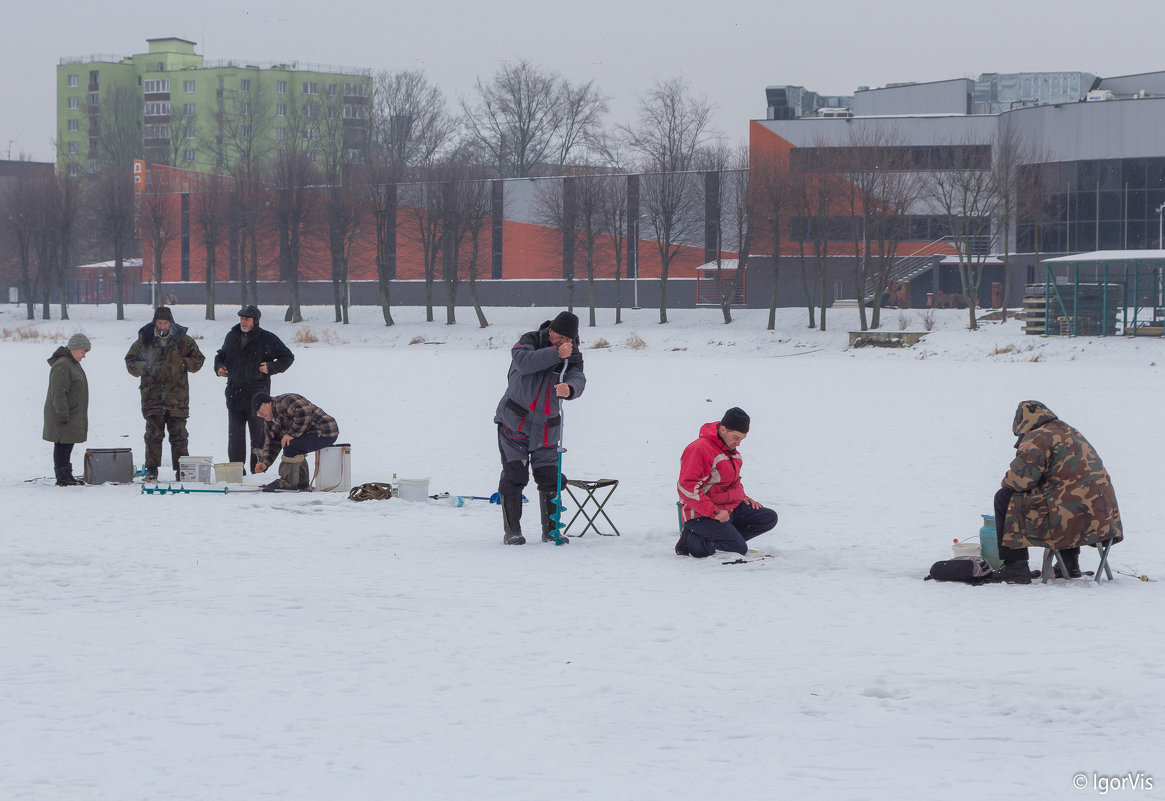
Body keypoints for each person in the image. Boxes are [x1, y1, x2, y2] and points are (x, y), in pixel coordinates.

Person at [991, 400, 1123, 584]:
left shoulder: (1037, 437)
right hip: (1103, 516)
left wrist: (1006, 480)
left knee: (1004, 497)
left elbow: (1020, 481)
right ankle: (1069, 563)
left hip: (1071, 516)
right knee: (1063, 496)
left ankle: (1015, 566)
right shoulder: (1068, 430)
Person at [493, 311, 586, 545]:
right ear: (551, 330)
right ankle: (512, 531)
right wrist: (555, 353)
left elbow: (578, 376)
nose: (563, 342)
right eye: (560, 337)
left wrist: (571, 388)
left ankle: (551, 531)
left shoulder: (572, 352)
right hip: (514, 423)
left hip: (547, 428)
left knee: (549, 478)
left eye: (568, 339)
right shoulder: (529, 341)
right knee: (515, 475)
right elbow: (524, 364)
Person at [675, 407, 778, 558]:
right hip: (701, 514)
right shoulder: (700, 449)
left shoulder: (731, 451)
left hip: (727, 510)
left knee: (768, 517)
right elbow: (686, 487)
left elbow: (733, 482)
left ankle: (723, 537)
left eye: (742, 439)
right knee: (737, 549)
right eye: (736, 438)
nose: (738, 444)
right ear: (723, 429)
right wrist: (714, 511)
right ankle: (692, 538)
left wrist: (743, 496)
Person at [124, 306, 205, 481]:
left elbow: (199, 360)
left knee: (179, 436)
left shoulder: (183, 340)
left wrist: (182, 363)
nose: (162, 326)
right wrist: (144, 367)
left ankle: (182, 471)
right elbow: (130, 361)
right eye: (159, 323)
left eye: (165, 323)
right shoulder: (144, 340)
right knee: (153, 435)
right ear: (155, 323)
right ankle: (152, 469)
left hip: (177, 397)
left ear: (171, 323)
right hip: (152, 397)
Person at [213, 305, 294, 473]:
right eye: (241, 318)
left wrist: (271, 367)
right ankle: (236, 471)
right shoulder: (232, 336)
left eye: (247, 319)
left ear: (255, 321)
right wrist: (219, 367)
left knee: (258, 437)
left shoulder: (267, 338)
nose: (243, 322)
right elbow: (221, 355)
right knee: (235, 437)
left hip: (257, 397)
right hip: (234, 395)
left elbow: (288, 357)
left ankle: (256, 470)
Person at [252, 392, 339, 492]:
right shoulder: (270, 423)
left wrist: (291, 434)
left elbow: (304, 412)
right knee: (293, 446)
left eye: (261, 410)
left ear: (268, 403)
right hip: (310, 434)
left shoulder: (285, 400)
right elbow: (272, 443)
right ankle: (301, 482)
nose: (261, 415)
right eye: (258, 414)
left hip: (325, 430)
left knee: (291, 446)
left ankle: (289, 482)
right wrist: (264, 463)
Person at [43, 334, 92, 486]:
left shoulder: (72, 363)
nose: (84, 355)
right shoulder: (63, 364)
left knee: (67, 443)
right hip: (64, 413)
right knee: (62, 443)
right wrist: (63, 413)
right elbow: (58, 392)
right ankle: (62, 477)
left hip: (72, 413)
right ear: (74, 348)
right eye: (83, 352)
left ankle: (66, 475)